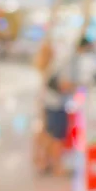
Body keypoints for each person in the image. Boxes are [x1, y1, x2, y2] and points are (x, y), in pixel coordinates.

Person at [35, 40, 76, 176]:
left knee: (49, 135)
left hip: (48, 105)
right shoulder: (55, 66)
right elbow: (63, 86)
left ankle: (44, 162)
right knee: (58, 138)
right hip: (57, 106)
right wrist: (76, 87)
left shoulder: (45, 66)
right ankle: (57, 167)